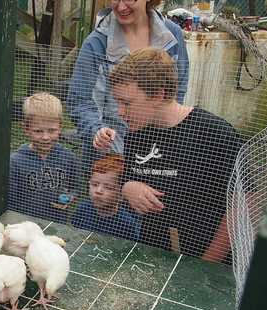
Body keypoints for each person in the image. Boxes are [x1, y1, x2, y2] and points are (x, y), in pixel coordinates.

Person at [103, 48, 241, 263]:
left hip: (206, 258)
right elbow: (129, 176)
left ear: (158, 95)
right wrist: (127, 188)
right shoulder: (137, 133)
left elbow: (244, 204)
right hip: (155, 251)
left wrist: (208, 262)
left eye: (126, 102)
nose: (120, 111)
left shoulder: (215, 134)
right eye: (117, 102)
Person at [67, 0, 189, 177]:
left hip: (157, 151)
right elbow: (79, 100)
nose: (121, 7)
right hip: (109, 159)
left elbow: (178, 90)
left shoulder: (172, 36)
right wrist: (96, 130)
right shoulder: (97, 42)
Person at [8, 92, 82, 223]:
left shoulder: (69, 157)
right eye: (38, 131)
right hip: (25, 225)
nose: (46, 137)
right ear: (26, 129)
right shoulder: (15, 162)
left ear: (60, 127)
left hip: (57, 224)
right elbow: (10, 202)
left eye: (52, 130)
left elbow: (75, 188)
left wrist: (69, 198)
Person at [72, 154, 140, 240]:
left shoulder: (128, 224)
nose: (98, 191)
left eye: (108, 187)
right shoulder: (82, 209)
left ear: (121, 194)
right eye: (94, 184)